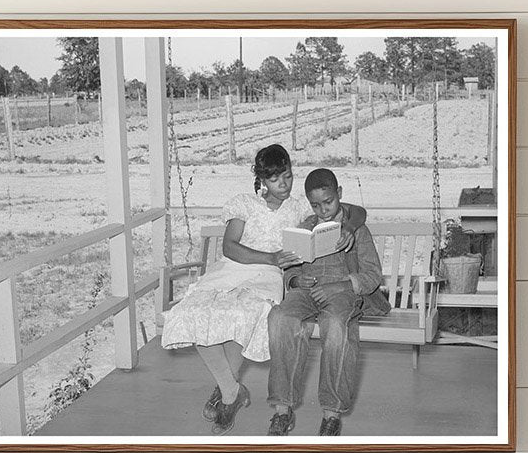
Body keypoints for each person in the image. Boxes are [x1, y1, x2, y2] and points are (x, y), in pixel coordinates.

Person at [161, 144, 352, 435]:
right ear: (262, 180)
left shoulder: (299, 206)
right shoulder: (243, 204)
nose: (284, 185)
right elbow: (230, 247)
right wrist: (271, 256)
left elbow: (351, 211)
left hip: (268, 278)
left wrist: (349, 227)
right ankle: (231, 390)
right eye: (276, 180)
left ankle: (228, 392)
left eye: (287, 176)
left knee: (246, 314)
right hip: (233, 269)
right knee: (192, 313)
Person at [265, 167, 389, 437]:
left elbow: (372, 274)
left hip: (343, 290)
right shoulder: (306, 227)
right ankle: (282, 410)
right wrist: (297, 281)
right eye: (315, 205)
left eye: (328, 202)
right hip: (307, 291)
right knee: (280, 318)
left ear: (339, 194)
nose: (322, 210)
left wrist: (340, 286)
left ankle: (331, 413)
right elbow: (291, 270)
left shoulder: (356, 230)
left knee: (335, 325)